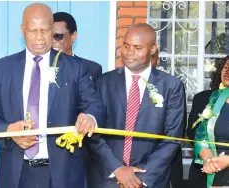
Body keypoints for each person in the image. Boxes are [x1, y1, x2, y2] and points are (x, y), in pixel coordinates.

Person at [0, 3, 105, 188]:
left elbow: (95, 106)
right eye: (33, 31)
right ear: (23, 30)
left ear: (52, 29)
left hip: (64, 173)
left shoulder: (75, 68)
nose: (39, 38)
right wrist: (9, 131)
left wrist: (89, 117)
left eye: (45, 30)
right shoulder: (1, 69)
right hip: (16, 173)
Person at [88, 23, 186, 188]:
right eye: (126, 46)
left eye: (137, 48)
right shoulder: (103, 82)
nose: (129, 53)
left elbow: (173, 138)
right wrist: (117, 169)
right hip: (108, 179)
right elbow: (93, 132)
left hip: (149, 181)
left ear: (153, 49)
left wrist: (141, 177)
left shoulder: (171, 86)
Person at [186, 57, 228, 188]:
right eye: (226, 67)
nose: (227, 71)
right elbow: (199, 132)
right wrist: (209, 159)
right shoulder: (213, 98)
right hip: (209, 172)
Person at [52, 12, 102, 81]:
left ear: (73, 36)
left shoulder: (91, 69)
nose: (52, 41)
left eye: (58, 36)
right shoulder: (39, 67)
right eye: (49, 37)